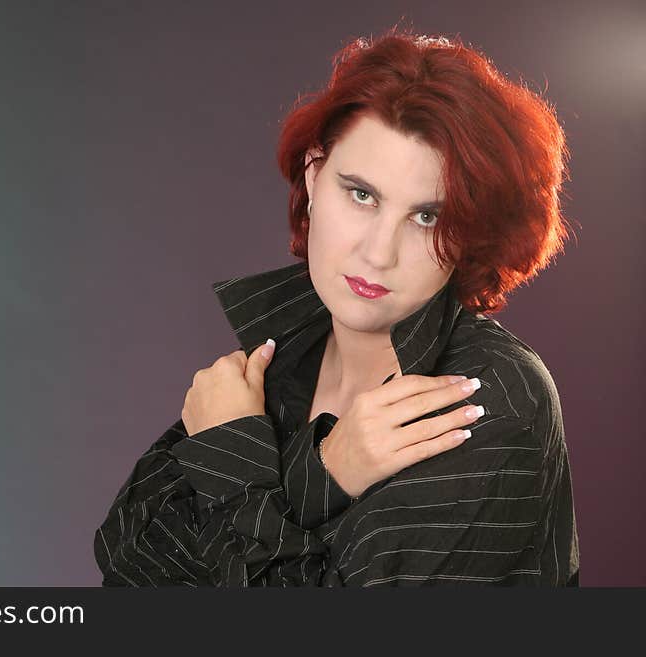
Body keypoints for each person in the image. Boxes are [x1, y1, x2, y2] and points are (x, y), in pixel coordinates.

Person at [93, 27, 580, 586]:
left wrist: (229, 456)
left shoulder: (485, 399)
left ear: (471, 234)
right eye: (361, 194)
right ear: (314, 174)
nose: (377, 253)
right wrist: (324, 472)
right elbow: (127, 557)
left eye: (428, 217)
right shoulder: (282, 352)